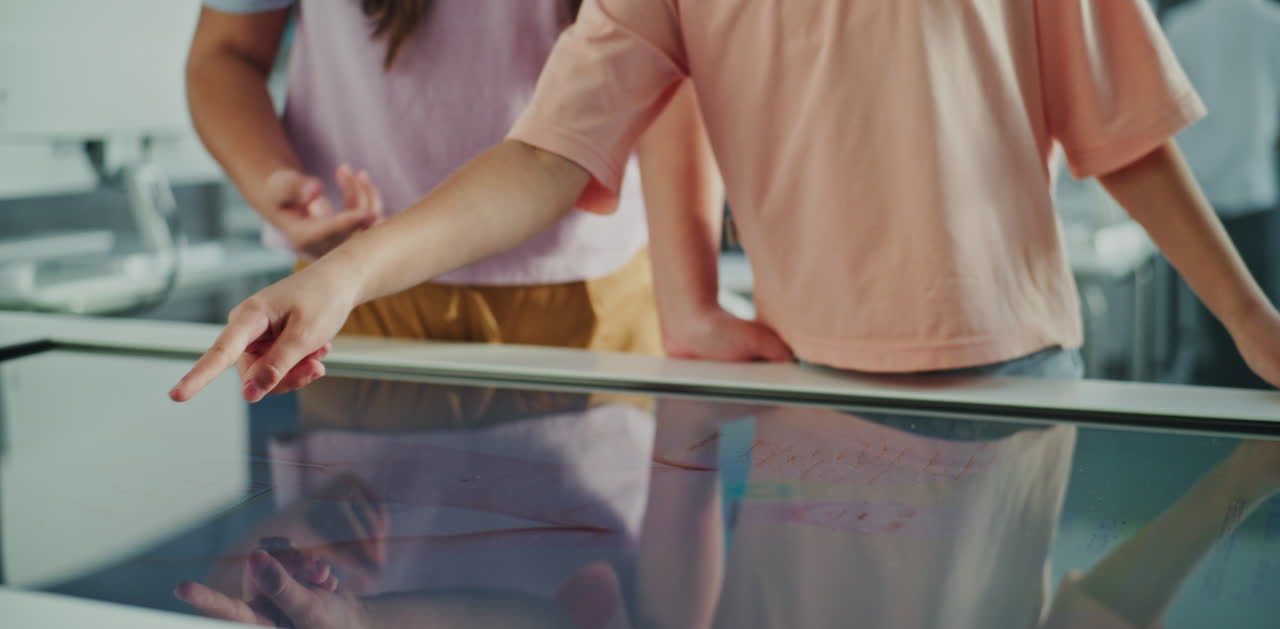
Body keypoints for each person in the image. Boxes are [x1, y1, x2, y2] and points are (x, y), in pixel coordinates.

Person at [169, 0, 1280, 405]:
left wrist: (1245, 316)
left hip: (1019, 369)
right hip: (804, 380)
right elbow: (545, 155)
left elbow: (1121, 135)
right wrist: (342, 274)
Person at [185, 0, 750, 391]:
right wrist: (274, 181)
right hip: (352, 312)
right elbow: (224, 53)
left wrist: (689, 302)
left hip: (590, 294)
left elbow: (659, 65)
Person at [1164, 0, 1280, 388]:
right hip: (1251, 189)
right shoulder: (1270, 23)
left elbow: (1166, 112)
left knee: (1212, 320)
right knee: (1260, 313)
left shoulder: (1180, 27)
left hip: (1193, 195)